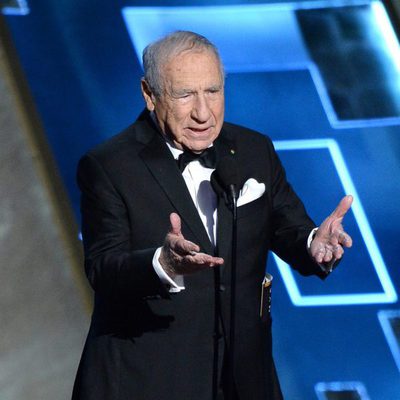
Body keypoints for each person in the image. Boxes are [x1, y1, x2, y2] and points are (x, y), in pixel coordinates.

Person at [72, 31, 353, 400]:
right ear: (149, 94)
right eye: (185, 94)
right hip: (148, 380)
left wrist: (314, 242)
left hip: (245, 381)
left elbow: (288, 226)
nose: (203, 113)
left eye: (213, 91)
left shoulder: (254, 150)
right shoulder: (109, 166)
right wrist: (164, 264)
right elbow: (104, 269)